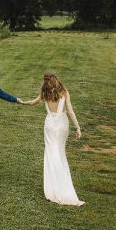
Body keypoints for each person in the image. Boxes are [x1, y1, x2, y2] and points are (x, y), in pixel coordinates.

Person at [22, 72, 84, 205]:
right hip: (62, 125)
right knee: (59, 152)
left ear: (45, 82)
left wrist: (23, 102)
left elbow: (33, 102)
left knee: (51, 152)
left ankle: (53, 185)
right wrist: (78, 127)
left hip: (50, 125)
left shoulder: (45, 93)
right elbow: (70, 111)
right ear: (56, 80)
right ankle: (61, 182)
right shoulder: (64, 92)